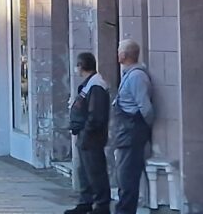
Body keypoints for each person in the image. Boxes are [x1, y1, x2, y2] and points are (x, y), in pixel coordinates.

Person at [111, 40, 153, 214]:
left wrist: (143, 128)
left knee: (127, 178)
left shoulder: (136, 76)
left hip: (131, 134)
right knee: (123, 177)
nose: (117, 54)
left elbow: (146, 108)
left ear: (124, 55)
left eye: (119, 50)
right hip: (126, 134)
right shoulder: (129, 74)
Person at [66, 53, 110, 214]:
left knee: (95, 172)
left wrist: (87, 132)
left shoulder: (96, 84)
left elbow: (96, 115)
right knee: (84, 172)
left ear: (81, 65)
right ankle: (86, 202)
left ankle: (101, 205)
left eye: (77, 65)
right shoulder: (89, 84)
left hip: (92, 137)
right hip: (85, 135)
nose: (76, 69)